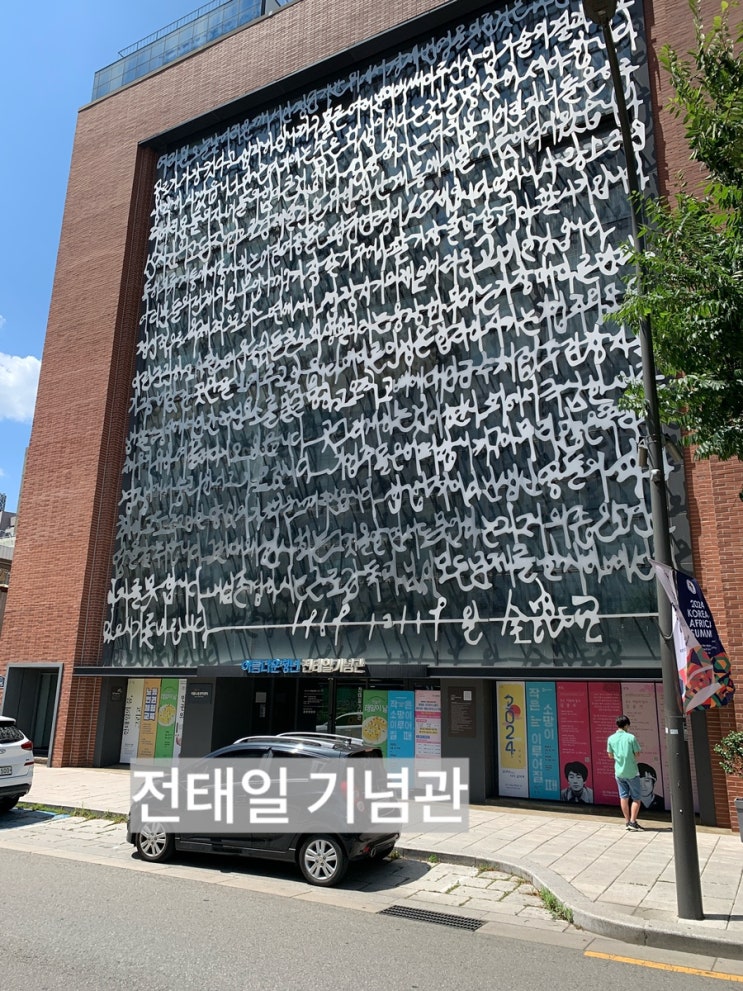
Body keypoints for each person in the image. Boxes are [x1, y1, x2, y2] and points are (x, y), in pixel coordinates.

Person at [607, 714, 644, 830]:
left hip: (619, 772)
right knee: (636, 798)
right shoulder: (631, 738)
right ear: (627, 725)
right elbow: (637, 753)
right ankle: (633, 822)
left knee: (623, 797)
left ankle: (627, 822)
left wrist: (619, 757)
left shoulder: (611, 738)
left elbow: (610, 755)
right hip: (632, 772)